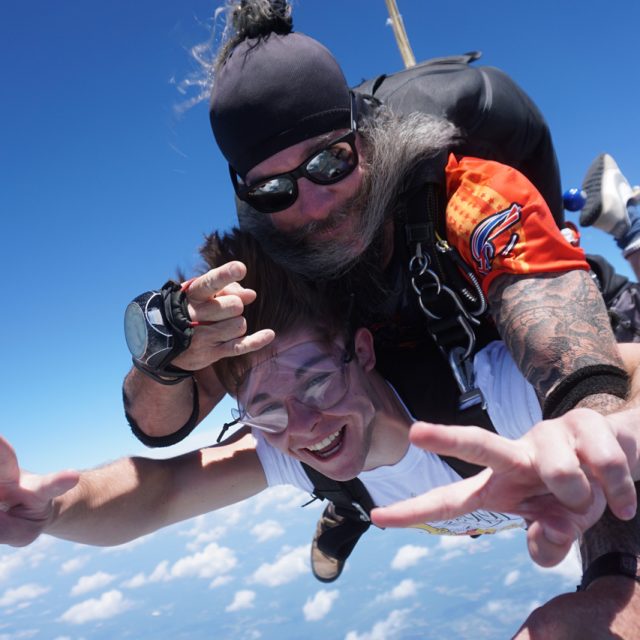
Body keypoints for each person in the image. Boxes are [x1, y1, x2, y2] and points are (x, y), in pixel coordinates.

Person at [121, 0, 639, 609]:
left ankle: (626, 221)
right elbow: (161, 427)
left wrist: (614, 575)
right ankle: (350, 500)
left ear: (365, 138)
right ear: (247, 195)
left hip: (539, 322)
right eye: (274, 188)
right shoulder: (272, 264)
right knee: (329, 420)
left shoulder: (465, 194)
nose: (313, 205)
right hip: (394, 398)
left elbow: (569, 359)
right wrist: (164, 353)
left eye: (330, 161)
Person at [4, 230, 640, 638]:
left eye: (313, 384)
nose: (302, 426)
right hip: (385, 484)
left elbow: (624, 374)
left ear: (362, 350)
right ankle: (351, 509)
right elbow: (162, 490)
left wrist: (604, 423)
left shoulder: (487, 396)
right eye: (268, 412)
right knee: (336, 472)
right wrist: (48, 505)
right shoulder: (287, 449)